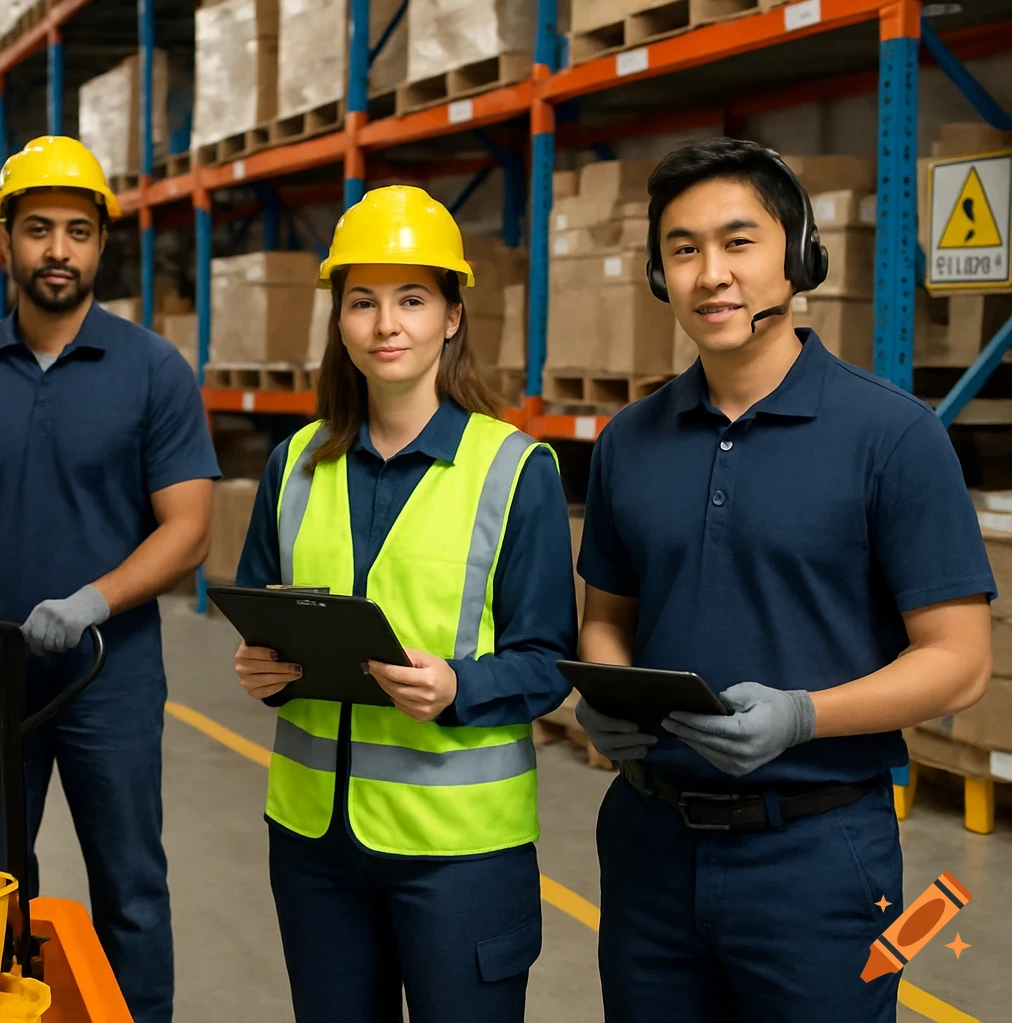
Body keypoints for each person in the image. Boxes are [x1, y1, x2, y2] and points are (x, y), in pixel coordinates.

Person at [574, 138, 995, 1022]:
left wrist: (804, 715)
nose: (710, 274)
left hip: (820, 854)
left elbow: (959, 662)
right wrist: (605, 697)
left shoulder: (894, 436)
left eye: (739, 242)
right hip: (649, 843)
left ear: (799, 255)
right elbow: (607, 616)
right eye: (683, 250)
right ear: (659, 276)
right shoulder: (629, 440)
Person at [230, 185, 577, 1022]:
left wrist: (460, 687)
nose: (387, 324)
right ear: (340, 321)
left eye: (413, 299)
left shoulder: (514, 471)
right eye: (364, 302)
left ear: (453, 317)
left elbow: (547, 663)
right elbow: (261, 612)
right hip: (315, 842)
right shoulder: (294, 466)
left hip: (459, 851)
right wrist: (261, 669)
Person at [0, 135, 218, 1023]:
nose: (57, 250)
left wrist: (94, 602)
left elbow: (189, 527)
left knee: (129, 883)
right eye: (37, 229)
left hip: (106, 675)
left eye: (78, 232)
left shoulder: (152, 369)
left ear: (100, 244)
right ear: (3, 239)